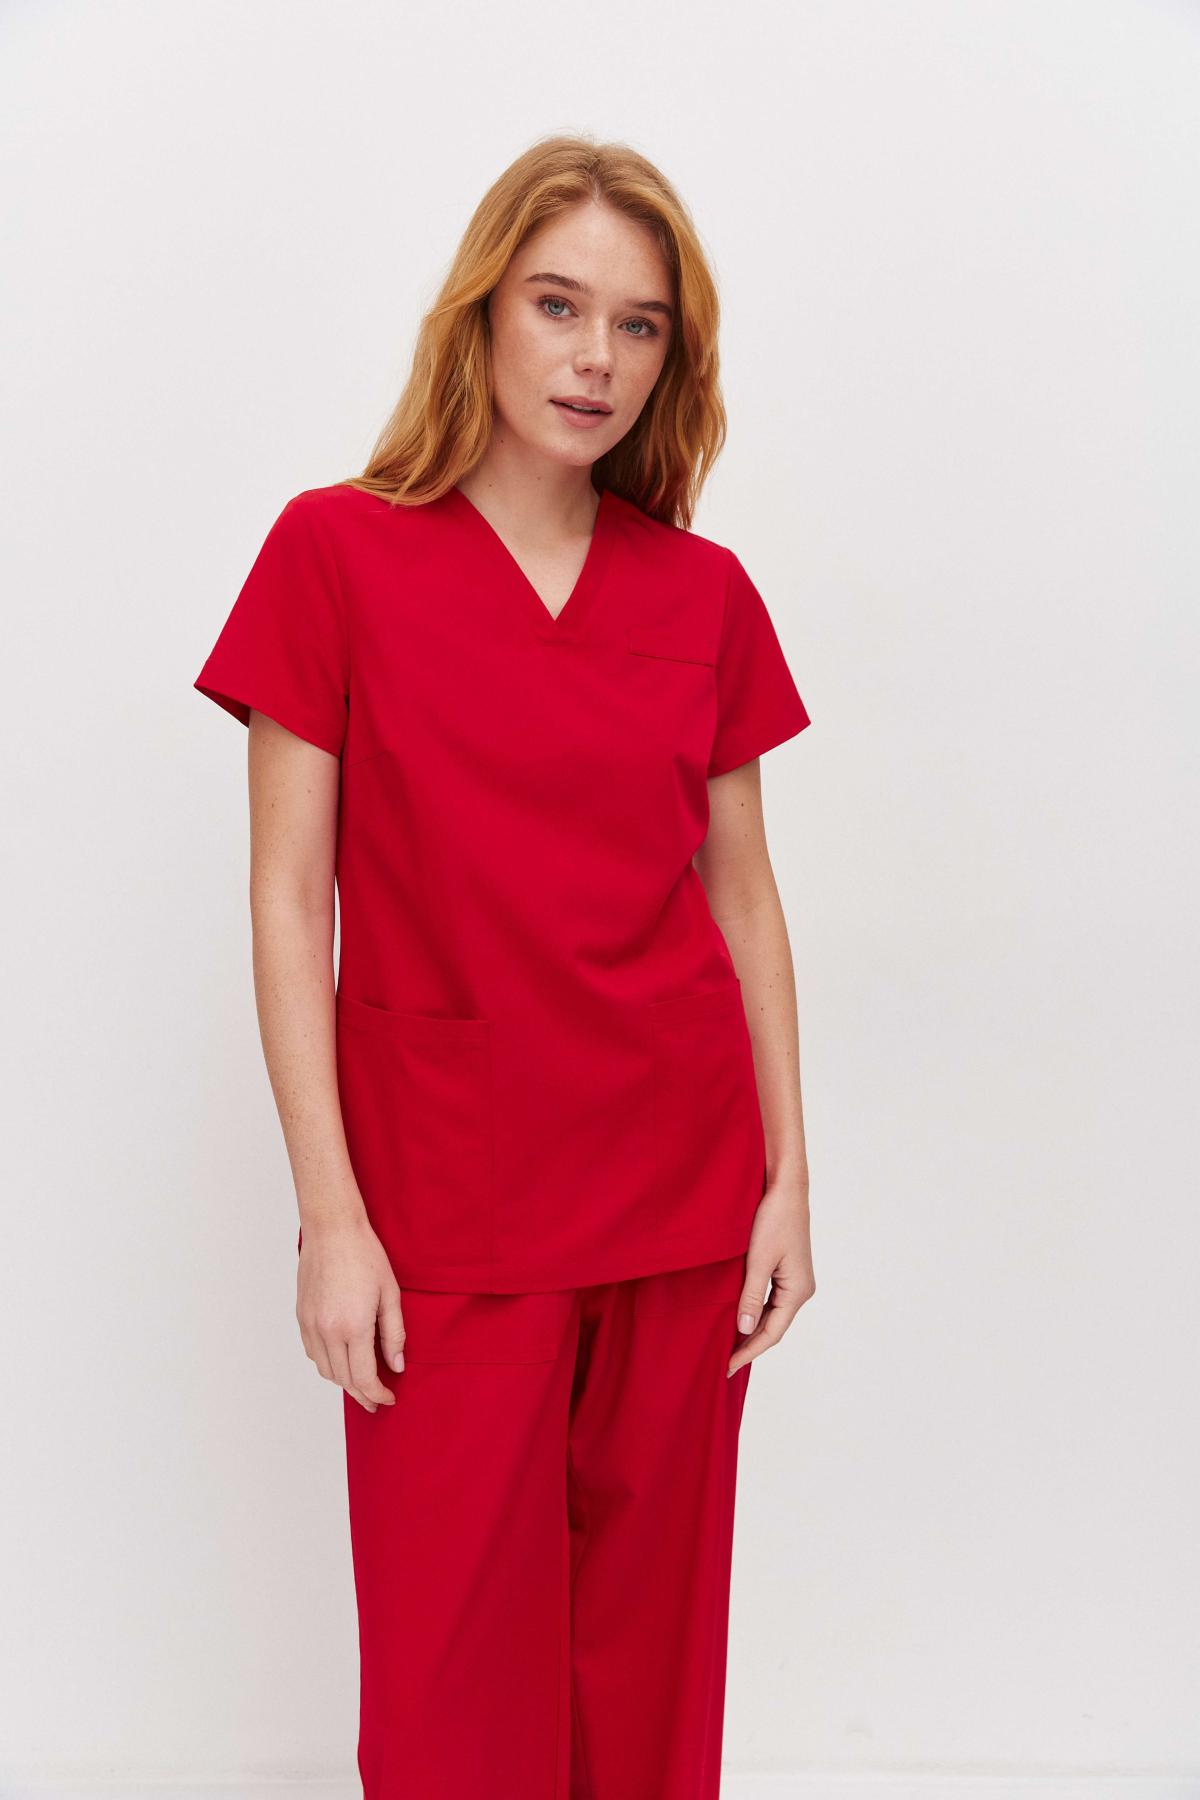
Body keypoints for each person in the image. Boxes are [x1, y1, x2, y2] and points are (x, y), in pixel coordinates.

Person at [193, 133, 816, 1800]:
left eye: (640, 325)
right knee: (450, 1695)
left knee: (647, 1679)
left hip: (680, 1194)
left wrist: (789, 1183)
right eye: (558, 305)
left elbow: (744, 897)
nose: (596, 356)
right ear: (479, 312)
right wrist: (331, 1217)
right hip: (447, 1205)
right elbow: (287, 897)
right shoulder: (335, 555)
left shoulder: (703, 595)